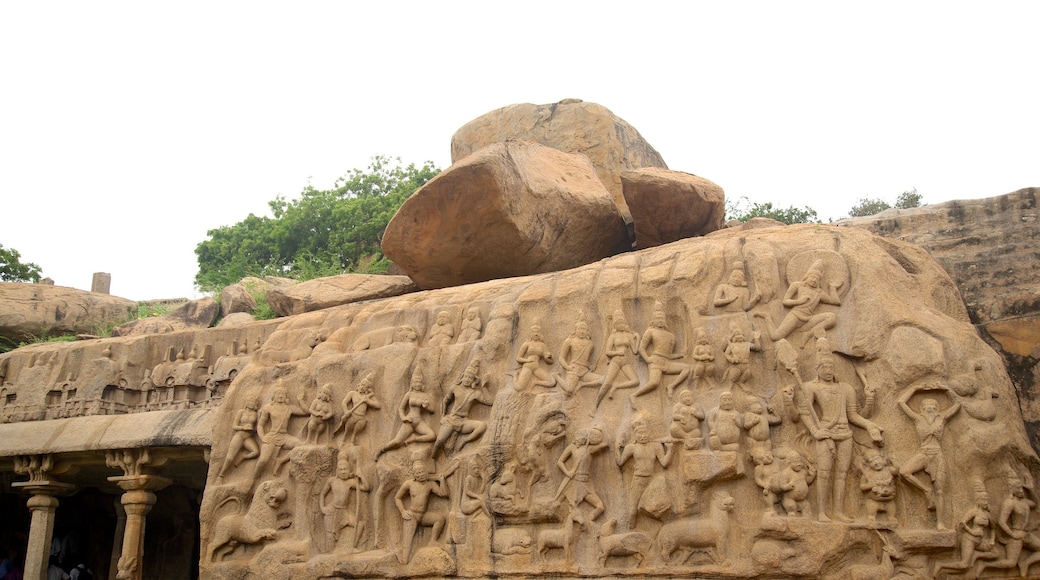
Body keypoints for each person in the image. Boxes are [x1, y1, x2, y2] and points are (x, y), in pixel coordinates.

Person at [799, 355, 883, 521]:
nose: (828, 371)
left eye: (831, 367)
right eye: (824, 367)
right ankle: (822, 511)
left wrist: (869, 423)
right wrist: (815, 431)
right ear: (817, 369)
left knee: (841, 474)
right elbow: (805, 412)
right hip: (825, 433)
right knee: (823, 473)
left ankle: (838, 511)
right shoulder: (811, 387)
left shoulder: (846, 388)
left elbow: (854, 415)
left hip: (845, 433)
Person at [897, 384, 960, 530]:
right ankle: (926, 491)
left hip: (938, 455)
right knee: (904, 472)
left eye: (932, 406)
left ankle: (940, 523)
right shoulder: (918, 419)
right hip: (924, 453)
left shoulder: (942, 419)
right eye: (926, 406)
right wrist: (915, 389)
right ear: (922, 409)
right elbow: (901, 402)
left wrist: (947, 389)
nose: (929, 408)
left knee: (940, 490)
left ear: (937, 409)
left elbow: (958, 403)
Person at [432, 361, 493, 457]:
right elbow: (445, 401)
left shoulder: (475, 393)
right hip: (451, 420)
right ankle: (433, 456)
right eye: (466, 376)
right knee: (440, 440)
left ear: (473, 380)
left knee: (482, 426)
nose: (467, 379)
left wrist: (484, 387)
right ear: (462, 376)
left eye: (470, 378)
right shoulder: (455, 388)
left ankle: (464, 441)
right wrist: (442, 415)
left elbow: (490, 402)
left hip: (464, 421)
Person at [633, 305, 690, 402]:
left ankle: (671, 386)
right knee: (654, 383)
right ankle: (634, 395)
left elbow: (669, 355)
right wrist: (647, 359)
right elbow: (641, 348)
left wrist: (681, 354)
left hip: (667, 362)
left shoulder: (671, 336)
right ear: (653, 320)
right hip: (655, 361)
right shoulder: (650, 331)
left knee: (686, 368)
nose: (660, 320)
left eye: (662, 318)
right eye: (658, 318)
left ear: (665, 320)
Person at [377, 371, 435, 459]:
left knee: (432, 436)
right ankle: (382, 450)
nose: (417, 384)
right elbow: (401, 408)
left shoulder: (424, 395)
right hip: (409, 421)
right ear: (412, 384)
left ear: (422, 384)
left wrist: (426, 407)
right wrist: (404, 418)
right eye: (415, 382)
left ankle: (414, 439)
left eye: (419, 382)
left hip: (419, 422)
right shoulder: (409, 394)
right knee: (397, 441)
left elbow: (432, 410)